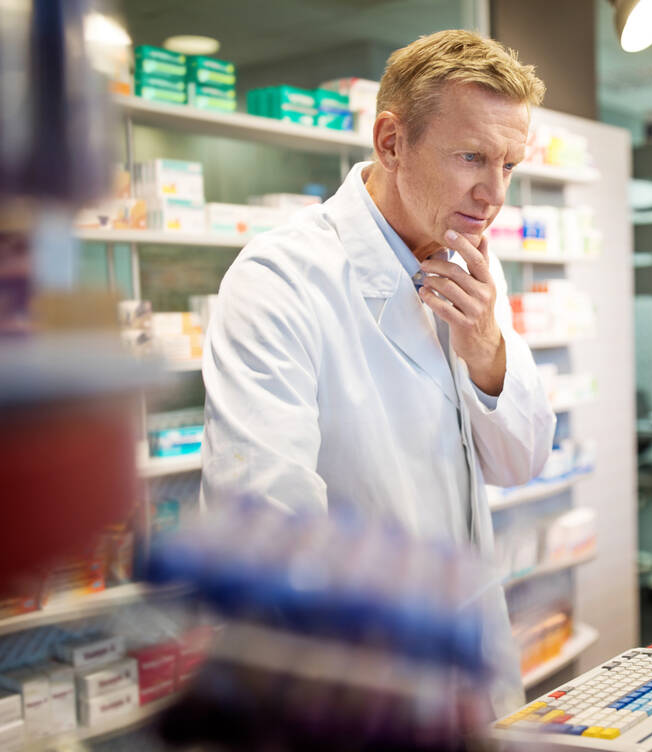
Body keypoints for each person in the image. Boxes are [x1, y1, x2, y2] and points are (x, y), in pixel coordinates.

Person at [199, 30, 556, 714]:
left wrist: (486, 348)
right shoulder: (280, 279)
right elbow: (266, 532)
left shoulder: (470, 262)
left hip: (471, 660)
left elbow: (520, 461)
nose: (494, 194)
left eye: (509, 165)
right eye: (472, 157)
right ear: (391, 142)